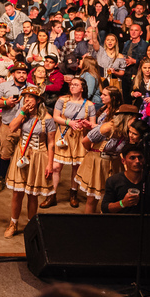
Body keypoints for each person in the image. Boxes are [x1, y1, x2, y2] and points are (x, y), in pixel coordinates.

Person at [3, 86, 55, 238]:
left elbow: (51, 143)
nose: (27, 100)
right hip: (22, 154)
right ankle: (13, 223)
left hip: (38, 156)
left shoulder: (48, 119)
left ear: (38, 101)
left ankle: (31, 225)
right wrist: (22, 113)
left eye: (31, 97)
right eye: (25, 97)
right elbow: (12, 128)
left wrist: (50, 164)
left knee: (33, 194)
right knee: (17, 193)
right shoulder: (22, 114)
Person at [101, 144, 150, 238]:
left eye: (140, 158)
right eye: (132, 158)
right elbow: (105, 208)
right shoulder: (114, 181)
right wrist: (123, 203)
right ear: (124, 161)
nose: (137, 161)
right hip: (121, 229)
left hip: (147, 230)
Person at [49, 76, 96, 209]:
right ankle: (52, 194)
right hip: (63, 135)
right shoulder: (62, 100)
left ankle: (73, 193)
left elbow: (93, 125)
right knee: (56, 167)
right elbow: (56, 117)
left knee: (76, 167)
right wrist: (69, 122)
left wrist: (85, 124)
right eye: (71, 84)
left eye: (76, 85)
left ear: (82, 88)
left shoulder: (89, 105)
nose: (72, 86)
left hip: (79, 137)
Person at [0, 61, 30, 193]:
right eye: (18, 72)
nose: (21, 75)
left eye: (24, 73)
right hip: (8, 125)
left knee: (26, 154)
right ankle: (1, 179)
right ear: (13, 74)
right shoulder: (5, 86)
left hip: (26, 126)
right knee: (5, 153)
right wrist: (6, 102)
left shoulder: (31, 87)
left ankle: (23, 180)